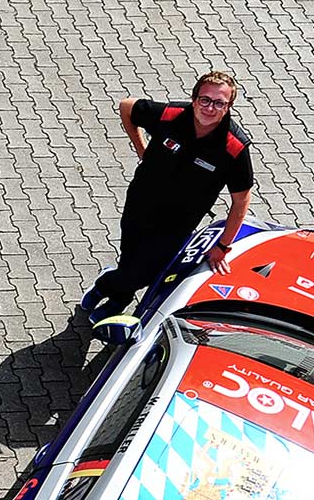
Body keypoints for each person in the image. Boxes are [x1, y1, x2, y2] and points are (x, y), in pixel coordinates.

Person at [78, 71, 254, 340]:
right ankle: (119, 296)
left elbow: (241, 200)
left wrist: (222, 246)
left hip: (177, 223)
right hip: (140, 203)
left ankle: (106, 286)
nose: (210, 108)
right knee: (130, 256)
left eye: (220, 103)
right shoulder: (170, 115)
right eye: (205, 100)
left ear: (229, 106)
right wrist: (142, 149)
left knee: (147, 272)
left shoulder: (234, 147)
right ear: (194, 99)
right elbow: (127, 107)